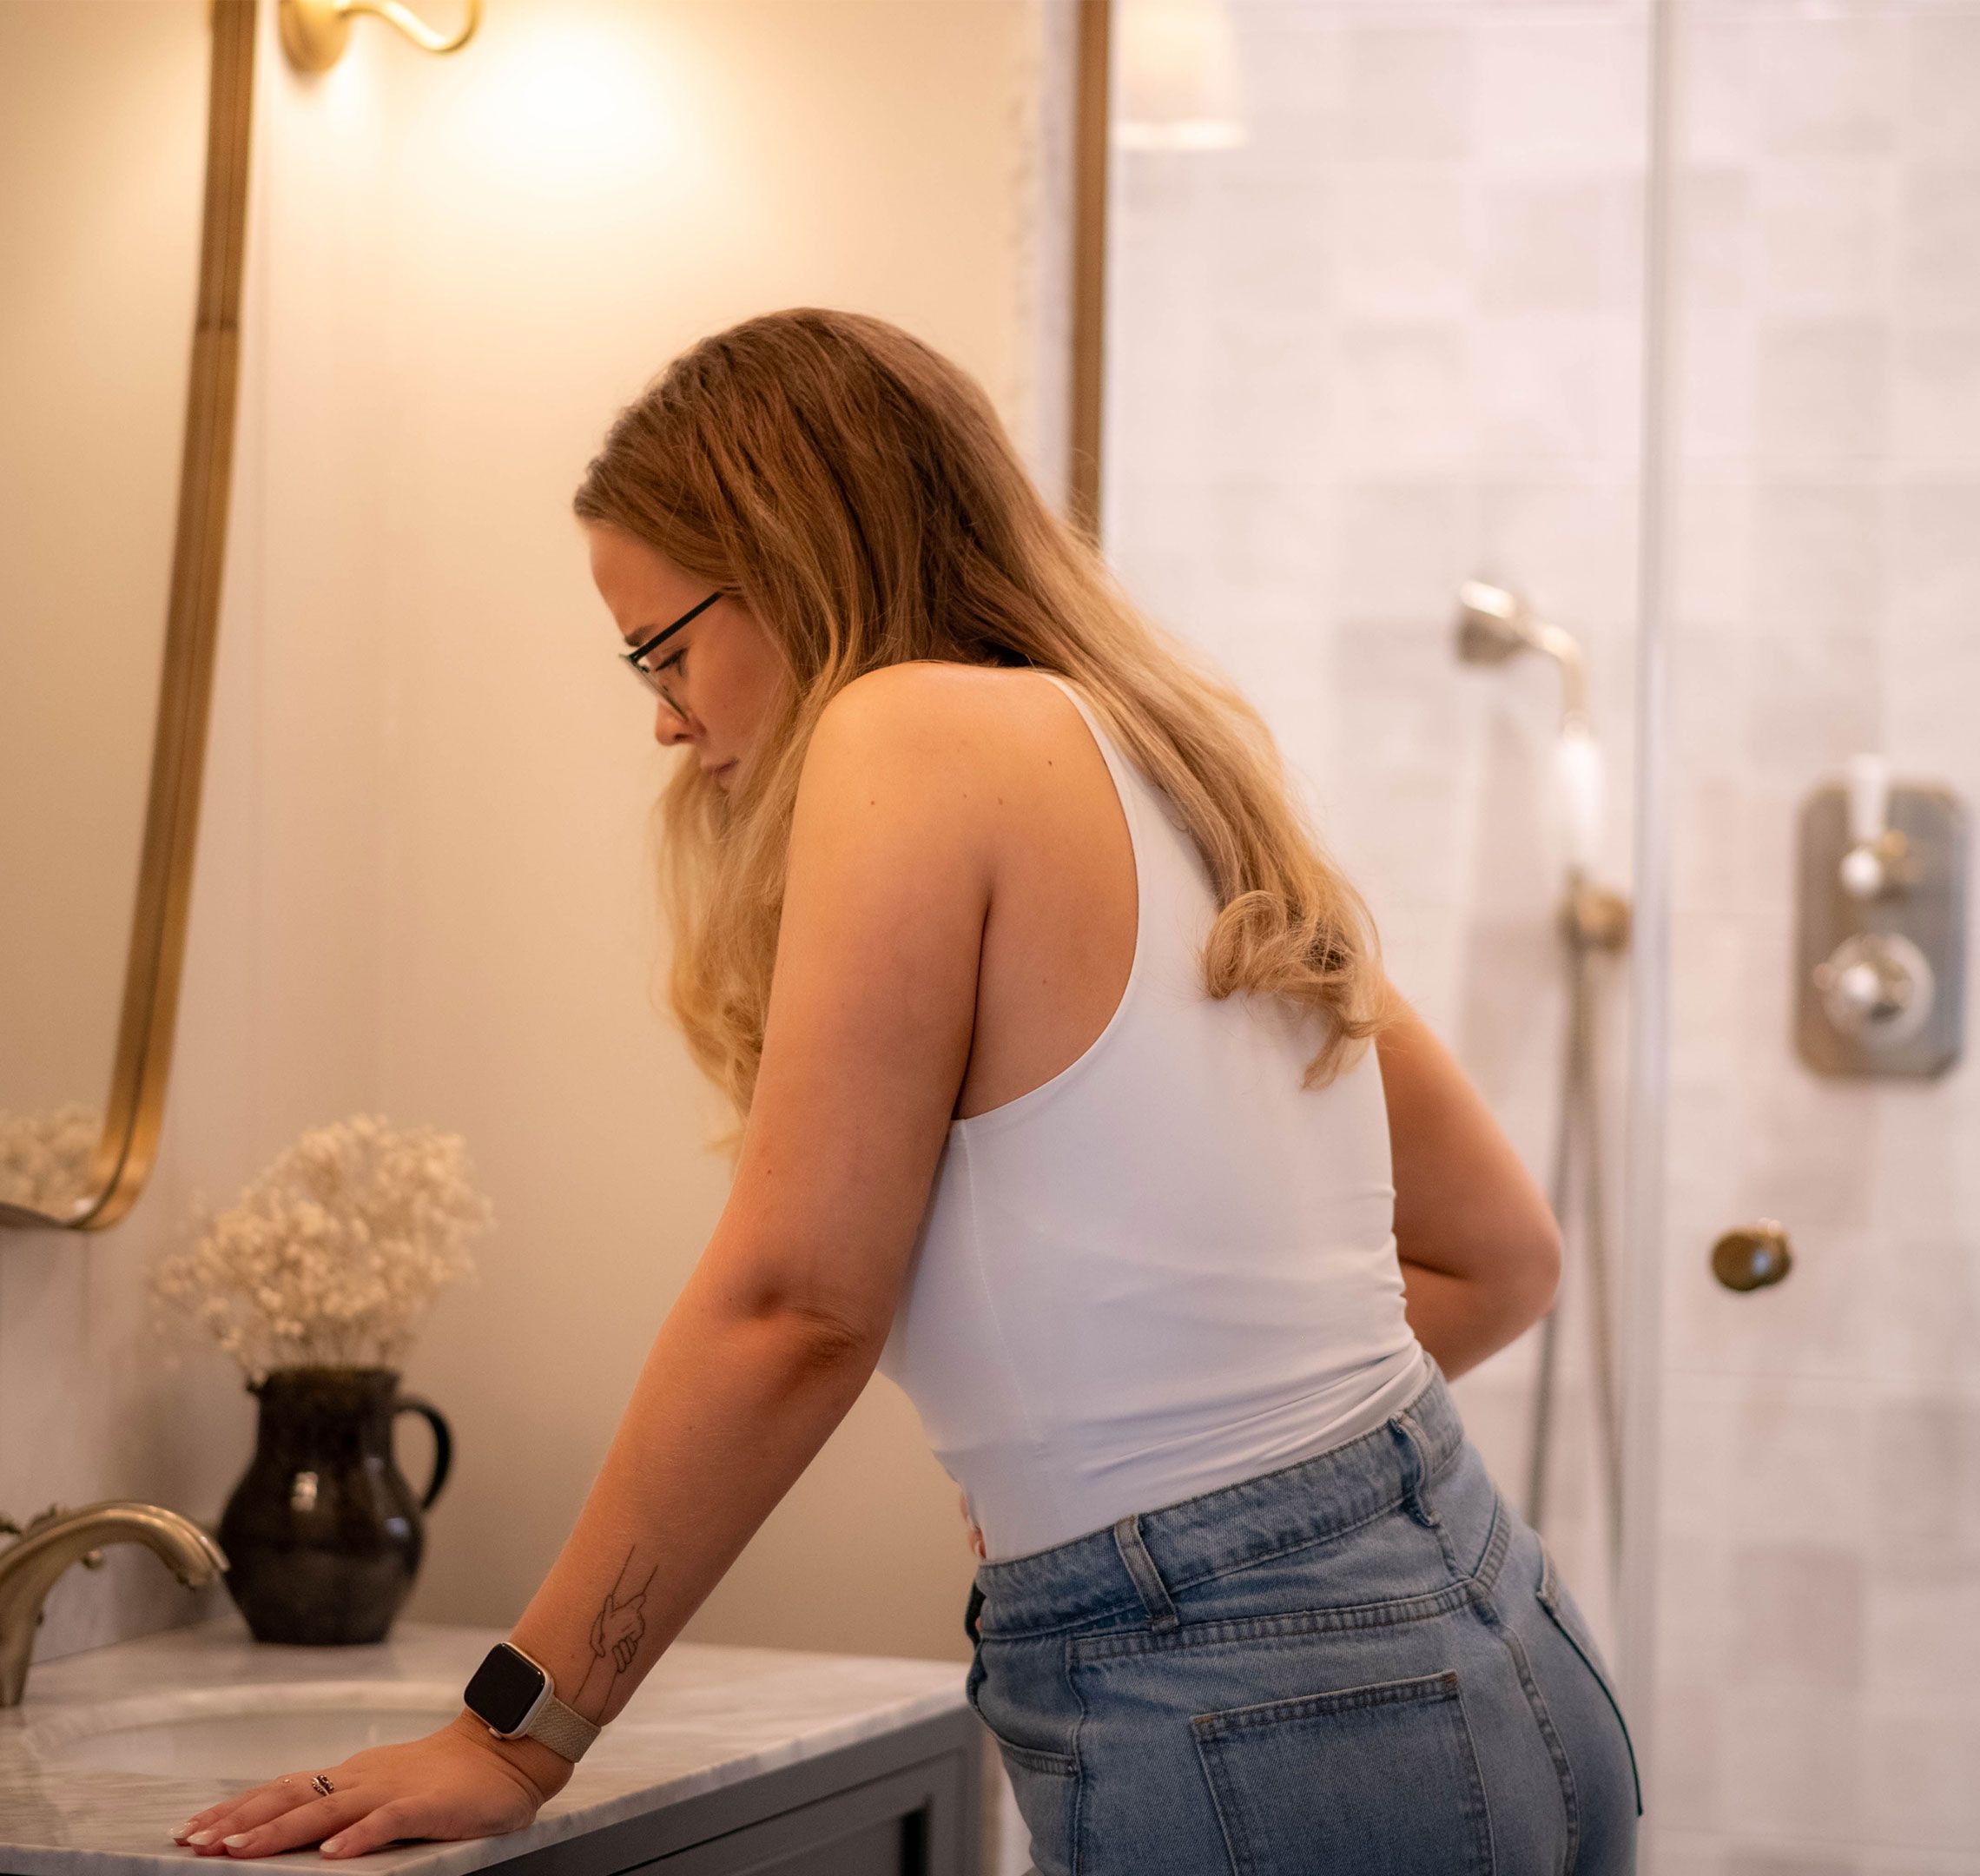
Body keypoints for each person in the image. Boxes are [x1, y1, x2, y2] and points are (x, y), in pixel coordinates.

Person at [173, 307, 1640, 1870]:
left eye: (663, 649)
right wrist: (1183, 1489)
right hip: (1494, 1638)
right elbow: (1504, 1253)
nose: (667, 719)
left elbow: (799, 1303)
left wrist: (508, 1732)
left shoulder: (909, 727)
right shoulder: (1174, 765)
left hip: (1266, 1711)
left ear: (796, 562)